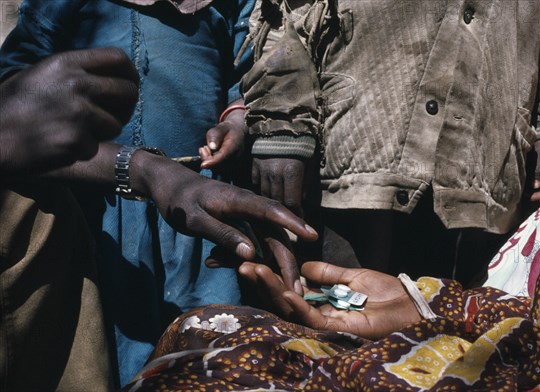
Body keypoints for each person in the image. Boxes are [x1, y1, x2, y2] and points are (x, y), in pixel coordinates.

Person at [122, 34, 540, 391]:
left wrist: (444, 306)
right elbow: (286, 28)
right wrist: (437, 302)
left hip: (488, 235)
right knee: (201, 331)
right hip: (356, 166)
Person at [0, 0, 311, 384]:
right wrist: (137, 167)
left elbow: (245, 75)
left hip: (200, 210)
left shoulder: (228, 5)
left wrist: (238, 122)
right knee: (112, 351)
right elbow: (18, 97)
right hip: (102, 212)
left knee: (210, 349)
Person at [241, 0, 540, 286]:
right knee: (333, 330)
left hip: (482, 168)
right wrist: (283, 125)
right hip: (356, 161)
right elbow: (287, 14)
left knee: (441, 347)